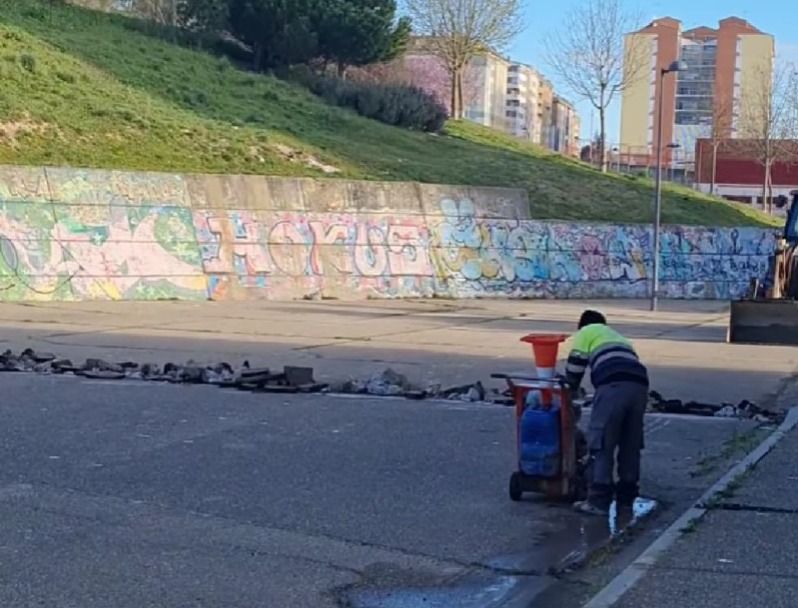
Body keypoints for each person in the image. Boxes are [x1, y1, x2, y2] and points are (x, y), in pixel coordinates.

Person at [564, 310, 649, 516]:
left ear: (582, 325)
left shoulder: (587, 331)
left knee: (602, 441)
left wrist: (569, 388)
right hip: (640, 387)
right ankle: (627, 497)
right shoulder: (619, 338)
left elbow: (575, 366)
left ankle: (599, 501)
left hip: (613, 386)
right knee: (630, 442)